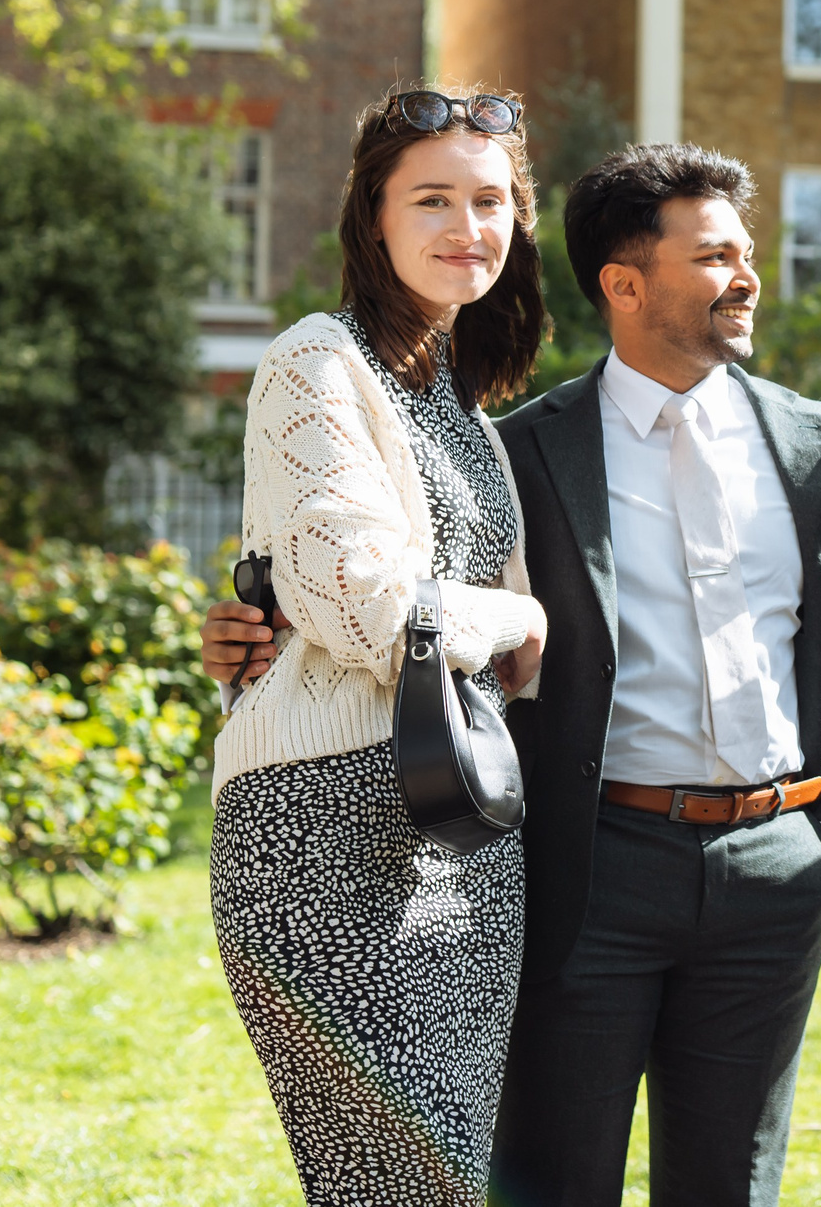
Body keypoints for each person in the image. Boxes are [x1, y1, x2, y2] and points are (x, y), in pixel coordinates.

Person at [206, 142, 821, 1207]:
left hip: (781, 864)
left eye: (746, 251)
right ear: (624, 284)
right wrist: (252, 622)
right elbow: (385, 578)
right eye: (715, 255)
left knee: (734, 1181)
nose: (748, 275)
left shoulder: (819, 444)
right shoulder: (521, 449)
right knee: (550, 1177)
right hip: (594, 865)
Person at [208, 87, 552, 1207]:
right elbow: (370, 607)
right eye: (434, 199)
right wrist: (518, 620)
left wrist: (488, 629)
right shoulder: (318, 362)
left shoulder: (468, 411)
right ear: (373, 217)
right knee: (385, 1181)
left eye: (491, 201)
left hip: (464, 830)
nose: (469, 226)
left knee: (447, 1175)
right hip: (325, 833)